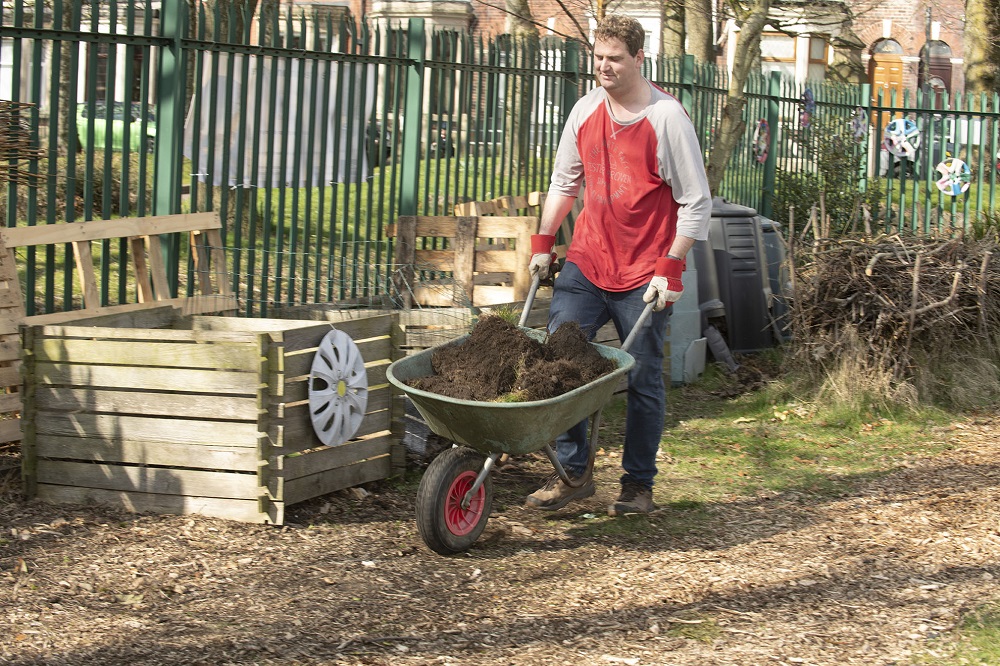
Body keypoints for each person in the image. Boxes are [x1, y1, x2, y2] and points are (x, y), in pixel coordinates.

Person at [524, 14, 712, 516]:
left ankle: (637, 486)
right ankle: (571, 473)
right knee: (558, 364)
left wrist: (671, 266)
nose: (604, 67)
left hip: (644, 274)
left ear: (638, 60)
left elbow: (696, 203)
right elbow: (565, 182)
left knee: (643, 378)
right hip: (586, 262)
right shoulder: (585, 110)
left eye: (615, 58)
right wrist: (544, 240)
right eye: (599, 57)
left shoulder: (666, 118)